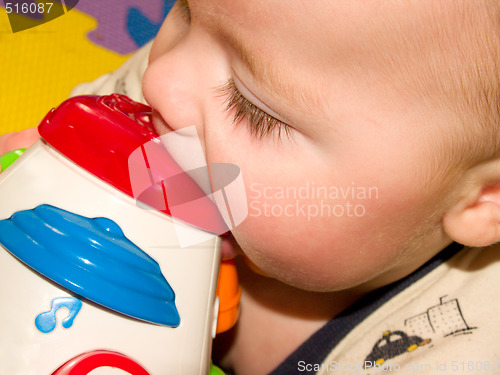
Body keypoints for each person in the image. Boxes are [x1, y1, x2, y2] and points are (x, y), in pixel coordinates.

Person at [1, 0, 499, 373]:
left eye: (252, 109)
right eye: (186, 12)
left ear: (484, 199)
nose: (160, 82)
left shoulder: (461, 351)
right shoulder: (217, 58)